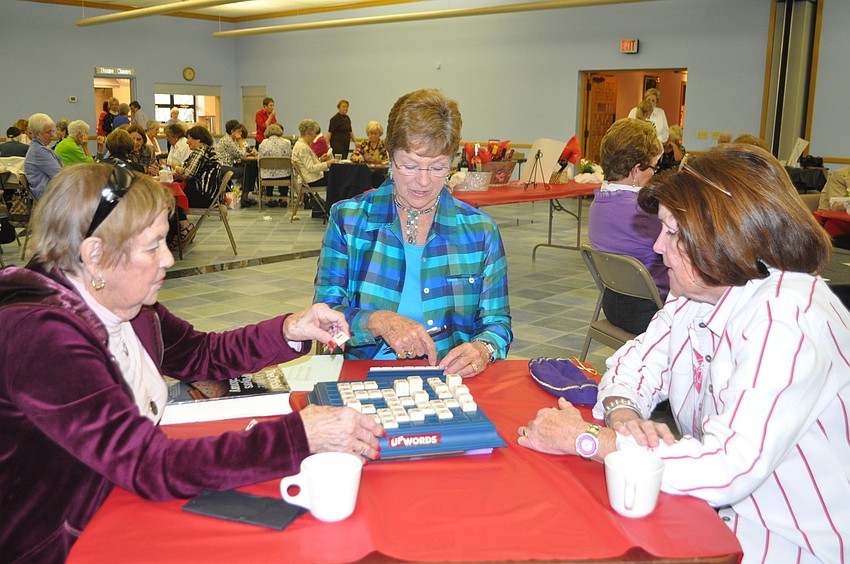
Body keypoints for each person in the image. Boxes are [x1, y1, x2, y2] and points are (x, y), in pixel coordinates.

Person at [0, 162, 383, 562]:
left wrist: (291, 328)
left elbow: (202, 353)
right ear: (94, 256)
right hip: (66, 538)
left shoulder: (126, 304)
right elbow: (147, 463)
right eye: (152, 247)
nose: (167, 259)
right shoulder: (41, 335)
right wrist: (296, 437)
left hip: (117, 498)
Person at [518, 144, 850, 562]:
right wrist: (625, 417)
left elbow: (729, 465)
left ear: (725, 237)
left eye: (673, 232)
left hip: (792, 543)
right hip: (720, 519)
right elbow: (633, 363)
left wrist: (589, 440)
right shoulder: (700, 294)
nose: (658, 247)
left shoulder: (786, 317)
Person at [314, 89, 513, 376]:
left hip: (450, 380)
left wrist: (484, 348)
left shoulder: (480, 231)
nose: (423, 181)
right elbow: (325, 319)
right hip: (364, 377)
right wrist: (375, 322)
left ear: (452, 163)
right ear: (389, 156)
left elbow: (497, 322)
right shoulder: (349, 220)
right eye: (409, 165)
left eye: (437, 168)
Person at [587, 118, 668, 334]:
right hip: (650, 312)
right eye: (653, 167)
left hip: (612, 303)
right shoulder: (645, 211)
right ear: (635, 170)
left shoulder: (598, 201)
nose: (654, 173)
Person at [174, 125, 221, 208]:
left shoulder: (201, 152)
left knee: (170, 196)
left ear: (198, 139)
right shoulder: (211, 151)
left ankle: (182, 220)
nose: (187, 142)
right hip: (212, 196)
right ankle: (182, 220)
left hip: (201, 196)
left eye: (189, 138)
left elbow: (187, 174)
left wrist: (176, 167)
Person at [23, 113, 63, 199]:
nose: (52, 135)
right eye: (48, 132)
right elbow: (60, 175)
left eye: (52, 131)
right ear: (37, 134)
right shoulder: (39, 151)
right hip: (49, 198)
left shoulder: (39, 148)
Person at [291, 118, 336, 188]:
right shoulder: (302, 148)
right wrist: (327, 164)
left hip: (309, 177)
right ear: (307, 133)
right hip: (310, 180)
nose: (315, 135)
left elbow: (307, 164)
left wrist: (320, 159)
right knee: (337, 177)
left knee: (334, 175)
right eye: (314, 133)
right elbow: (311, 168)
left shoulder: (302, 145)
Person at [257, 123, 292, 203]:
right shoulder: (287, 142)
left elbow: (259, 160)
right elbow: (290, 157)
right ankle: (284, 200)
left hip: (267, 175)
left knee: (268, 172)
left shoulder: (263, 143)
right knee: (284, 172)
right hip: (284, 174)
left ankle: (269, 199)